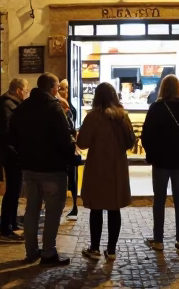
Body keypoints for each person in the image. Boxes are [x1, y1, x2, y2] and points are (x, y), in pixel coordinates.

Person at [10, 72, 74, 266]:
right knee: (53, 212)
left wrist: (24, 154)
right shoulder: (54, 109)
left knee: (31, 210)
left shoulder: (23, 107)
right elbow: (65, 138)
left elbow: (12, 135)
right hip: (52, 169)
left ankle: (31, 250)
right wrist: (70, 156)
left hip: (30, 168)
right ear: (52, 88)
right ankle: (48, 253)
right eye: (56, 87)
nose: (58, 90)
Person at [140, 74, 179, 250]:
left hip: (160, 161)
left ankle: (158, 240)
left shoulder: (156, 108)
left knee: (159, 200)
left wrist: (152, 152)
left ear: (162, 88)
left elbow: (146, 136)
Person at [76, 83, 135, 259]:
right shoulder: (123, 117)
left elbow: (82, 142)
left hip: (97, 167)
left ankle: (94, 249)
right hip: (117, 167)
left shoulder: (93, 117)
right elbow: (130, 142)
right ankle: (111, 250)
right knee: (114, 208)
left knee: (96, 208)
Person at [0, 78, 28, 241]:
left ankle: (12, 223)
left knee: (16, 190)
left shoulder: (13, 104)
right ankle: (5, 230)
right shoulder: (6, 105)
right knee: (12, 191)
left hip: (14, 152)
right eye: (26, 90)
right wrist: (15, 150)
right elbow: (7, 132)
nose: (26, 94)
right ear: (19, 90)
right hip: (11, 154)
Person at [56, 79, 80, 219]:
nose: (65, 91)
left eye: (67, 88)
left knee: (73, 177)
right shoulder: (57, 107)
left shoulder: (72, 108)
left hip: (70, 146)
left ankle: (74, 206)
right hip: (61, 148)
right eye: (62, 88)